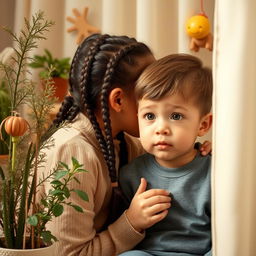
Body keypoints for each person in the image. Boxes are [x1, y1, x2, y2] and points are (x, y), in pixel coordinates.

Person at [38, 34, 212, 256]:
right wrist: (130, 222)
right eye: (147, 86)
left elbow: (177, 159)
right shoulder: (72, 152)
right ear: (119, 100)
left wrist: (202, 151)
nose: (159, 93)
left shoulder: (125, 144)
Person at [119, 54, 213, 256]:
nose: (161, 128)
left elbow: (226, 233)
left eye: (176, 116)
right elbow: (124, 233)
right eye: (150, 116)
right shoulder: (130, 174)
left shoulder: (214, 172)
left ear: (203, 124)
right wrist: (132, 217)